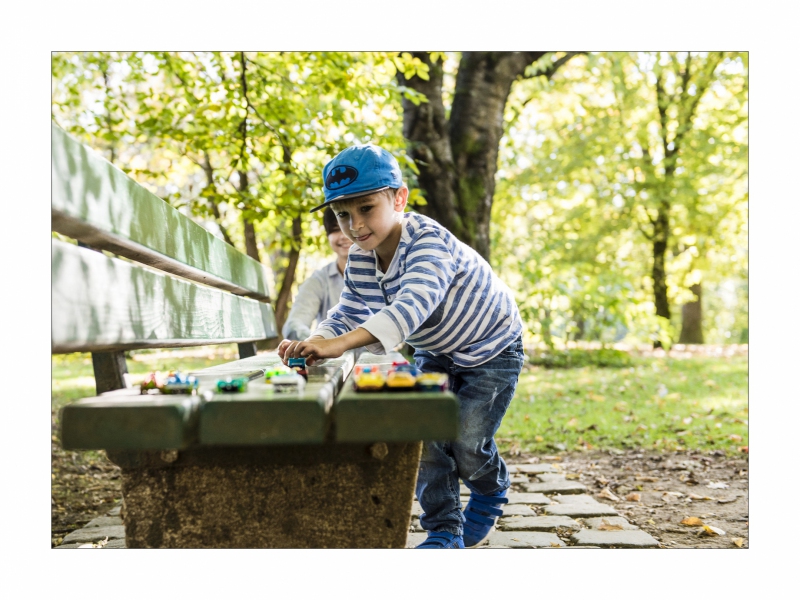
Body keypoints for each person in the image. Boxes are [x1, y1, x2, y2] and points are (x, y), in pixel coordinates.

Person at [278, 144, 524, 549]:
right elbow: (349, 309)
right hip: (436, 350)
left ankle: (489, 488)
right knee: (424, 438)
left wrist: (339, 345)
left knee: (465, 441)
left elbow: (410, 309)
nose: (354, 225)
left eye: (365, 208)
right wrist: (317, 341)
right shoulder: (361, 256)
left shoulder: (427, 243)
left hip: (491, 348)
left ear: (399, 198)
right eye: (343, 213)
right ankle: (445, 529)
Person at [281, 207, 353, 341]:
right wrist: (317, 343)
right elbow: (295, 324)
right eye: (335, 229)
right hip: (335, 359)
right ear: (327, 236)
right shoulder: (319, 280)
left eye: (348, 226)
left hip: (379, 359)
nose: (343, 235)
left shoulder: (383, 271)